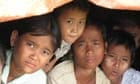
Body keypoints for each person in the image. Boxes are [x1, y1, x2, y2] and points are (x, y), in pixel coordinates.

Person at [47, 17, 110, 84]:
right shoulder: (58, 76)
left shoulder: (104, 81)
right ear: (72, 49)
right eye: (81, 44)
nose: (89, 51)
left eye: (95, 44)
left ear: (105, 48)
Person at [1, 14, 58, 84]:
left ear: (50, 58)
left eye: (45, 52)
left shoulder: (39, 80)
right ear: (14, 38)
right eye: (30, 45)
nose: (34, 57)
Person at [43, 0, 90, 72]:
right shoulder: (46, 40)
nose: (75, 29)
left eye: (81, 22)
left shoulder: (66, 43)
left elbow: (48, 67)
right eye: (69, 22)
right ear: (56, 20)